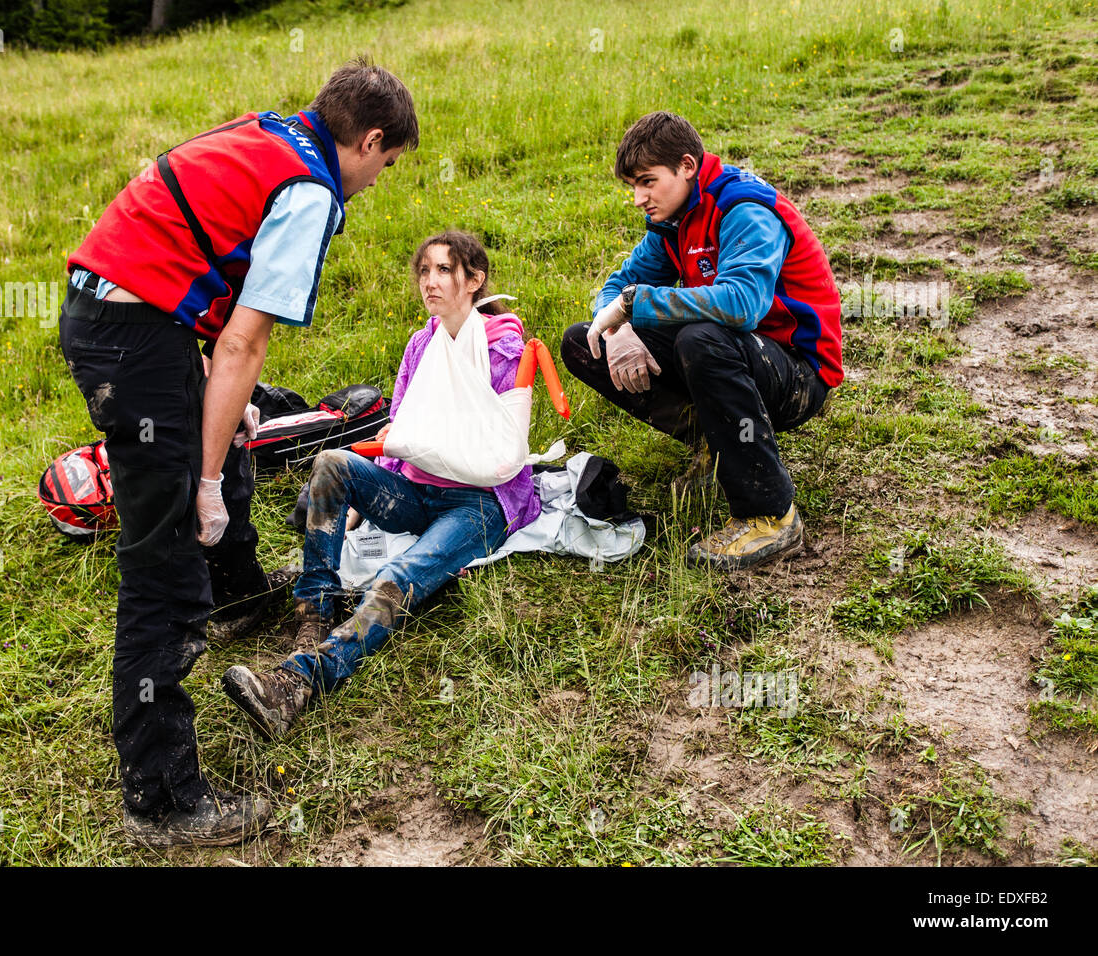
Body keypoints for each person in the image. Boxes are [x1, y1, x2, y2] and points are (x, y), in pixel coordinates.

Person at [57, 58, 418, 846]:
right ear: (370, 141)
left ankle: (241, 595)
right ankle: (162, 798)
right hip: (132, 336)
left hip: (128, 312)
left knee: (238, 432)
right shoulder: (313, 190)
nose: (378, 182)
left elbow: (207, 284)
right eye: (385, 167)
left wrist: (221, 422)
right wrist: (207, 475)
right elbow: (244, 341)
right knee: (166, 554)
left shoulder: (274, 133)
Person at [222, 231, 541, 739]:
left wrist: (410, 440)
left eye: (443, 270)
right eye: (424, 271)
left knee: (399, 573)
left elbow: (492, 442)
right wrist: (360, 505)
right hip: (417, 492)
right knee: (331, 461)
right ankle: (314, 608)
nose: (429, 282)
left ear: (474, 280)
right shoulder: (421, 345)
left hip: (479, 503)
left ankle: (300, 682)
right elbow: (399, 433)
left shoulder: (504, 343)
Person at [560, 111, 842, 571]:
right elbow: (617, 286)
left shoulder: (744, 208)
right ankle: (719, 444)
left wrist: (634, 305)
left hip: (796, 376)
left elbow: (743, 305)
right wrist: (619, 327)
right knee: (583, 342)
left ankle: (770, 514)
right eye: (633, 185)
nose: (638, 199)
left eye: (647, 182)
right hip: (740, 358)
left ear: (687, 166)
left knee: (702, 338)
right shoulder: (674, 220)